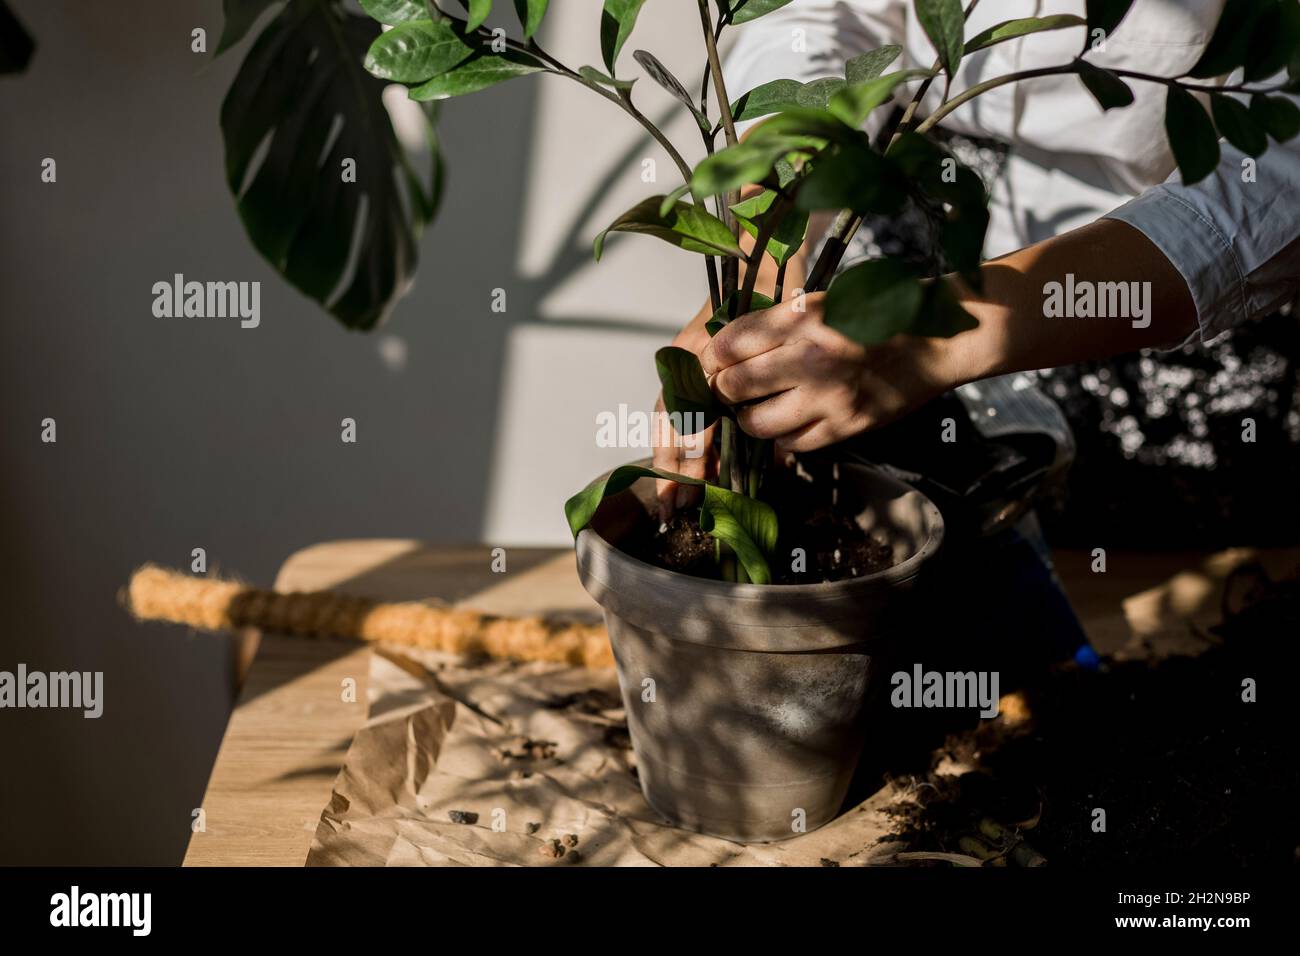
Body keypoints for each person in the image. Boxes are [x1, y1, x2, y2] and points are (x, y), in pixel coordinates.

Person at [652, 0, 1300, 552]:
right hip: (911, 225)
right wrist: (770, 241)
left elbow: (1280, 184)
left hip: (1162, 302)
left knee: (1120, 572)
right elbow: (834, 15)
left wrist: (934, 339)